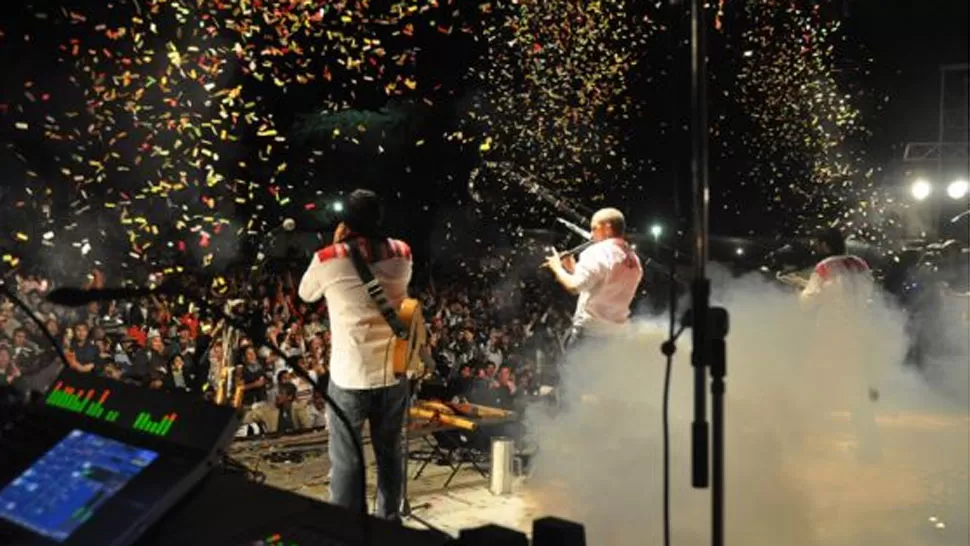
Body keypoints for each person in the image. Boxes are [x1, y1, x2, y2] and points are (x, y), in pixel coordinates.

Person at [298, 189, 412, 520]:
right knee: (389, 452)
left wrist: (336, 242)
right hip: (394, 371)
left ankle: (347, 529)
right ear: (379, 218)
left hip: (351, 376)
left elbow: (306, 294)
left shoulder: (328, 258)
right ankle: (389, 523)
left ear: (345, 222)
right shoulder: (403, 253)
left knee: (348, 459)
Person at [544, 207, 643, 346]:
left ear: (607, 228)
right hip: (617, 335)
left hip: (590, 333)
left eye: (594, 228)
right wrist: (574, 269)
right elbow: (601, 284)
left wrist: (557, 267)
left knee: (573, 368)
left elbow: (574, 287)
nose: (591, 235)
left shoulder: (597, 252)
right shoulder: (633, 259)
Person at [241, 382, 312, 434]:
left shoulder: (299, 408)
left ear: (289, 397)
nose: (277, 396)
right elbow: (251, 416)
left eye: (281, 393)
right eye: (278, 393)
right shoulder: (269, 409)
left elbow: (307, 427)